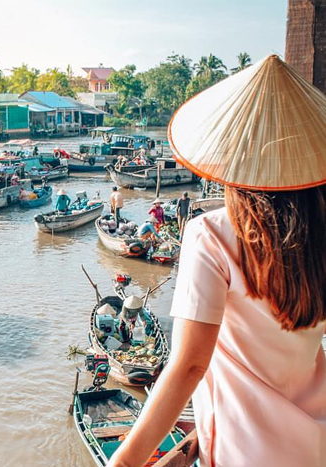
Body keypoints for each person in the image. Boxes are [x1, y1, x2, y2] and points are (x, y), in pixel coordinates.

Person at [107, 55, 326, 467]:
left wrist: (124, 462)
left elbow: (189, 365)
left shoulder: (212, 233)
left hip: (241, 454)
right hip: (313, 446)